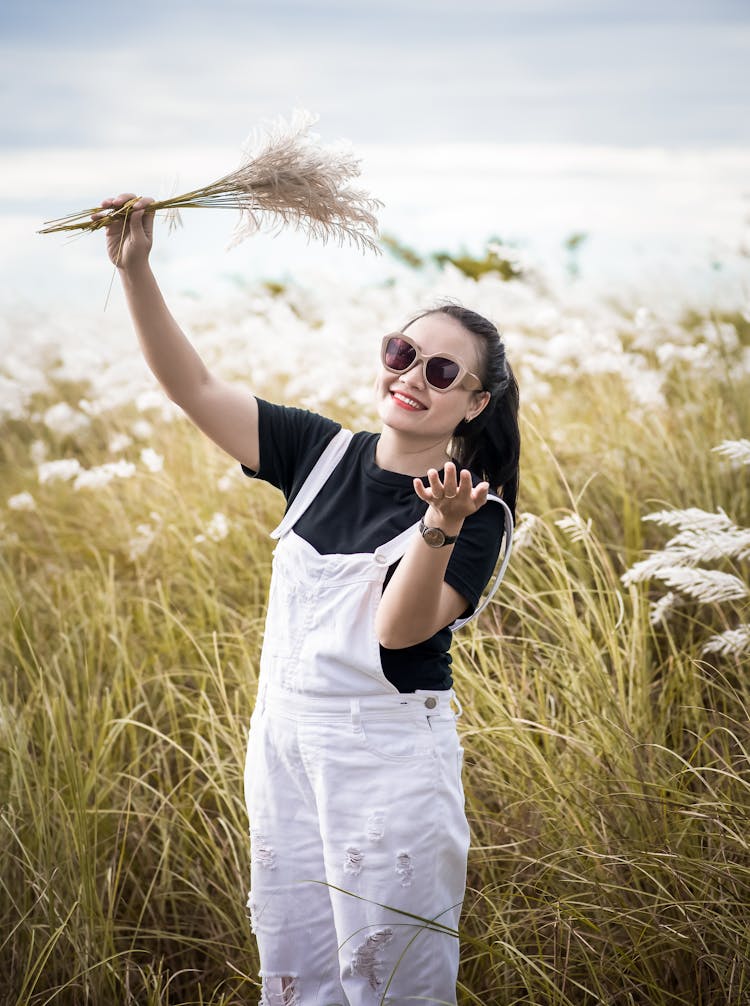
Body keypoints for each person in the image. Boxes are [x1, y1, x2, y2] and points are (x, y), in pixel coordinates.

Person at [98, 194, 520, 1006]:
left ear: (474, 405)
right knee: (298, 976)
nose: (410, 377)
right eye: (403, 351)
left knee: (388, 983)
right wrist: (137, 268)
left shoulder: (477, 511)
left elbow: (397, 635)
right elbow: (192, 385)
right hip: (284, 749)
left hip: (387, 766)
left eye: (441, 372)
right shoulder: (318, 452)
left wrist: (437, 526)